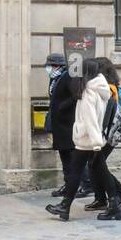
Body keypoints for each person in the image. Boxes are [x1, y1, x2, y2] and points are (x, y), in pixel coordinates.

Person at [44, 59, 115, 221]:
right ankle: (113, 204)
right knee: (98, 172)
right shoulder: (98, 89)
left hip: (88, 141)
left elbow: (90, 120)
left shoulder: (88, 93)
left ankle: (66, 206)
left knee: (77, 172)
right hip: (91, 140)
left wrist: (96, 144)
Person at [84, 57, 121, 213]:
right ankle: (101, 198)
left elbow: (103, 115)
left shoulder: (108, 89)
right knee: (94, 163)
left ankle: (118, 191)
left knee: (97, 163)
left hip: (106, 134)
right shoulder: (111, 87)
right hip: (106, 133)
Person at [45, 53, 81, 198]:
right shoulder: (54, 79)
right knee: (64, 156)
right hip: (59, 125)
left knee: (72, 158)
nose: (49, 68)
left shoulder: (68, 77)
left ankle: (79, 186)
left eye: (51, 65)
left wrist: (61, 107)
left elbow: (75, 96)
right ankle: (68, 185)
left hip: (67, 124)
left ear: (58, 66)